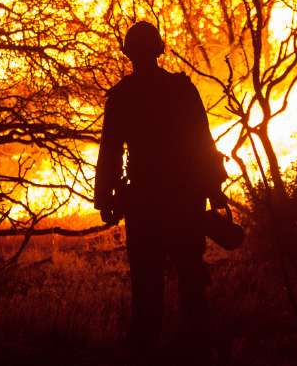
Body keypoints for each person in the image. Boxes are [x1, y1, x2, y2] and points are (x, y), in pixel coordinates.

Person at [95, 21, 229, 355]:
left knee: (147, 279)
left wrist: (105, 198)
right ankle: (196, 345)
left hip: (145, 202)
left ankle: (145, 346)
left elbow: (110, 152)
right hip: (184, 198)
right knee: (190, 273)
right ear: (158, 49)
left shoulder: (123, 96)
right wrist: (214, 190)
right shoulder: (182, 90)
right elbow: (203, 143)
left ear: (129, 54)